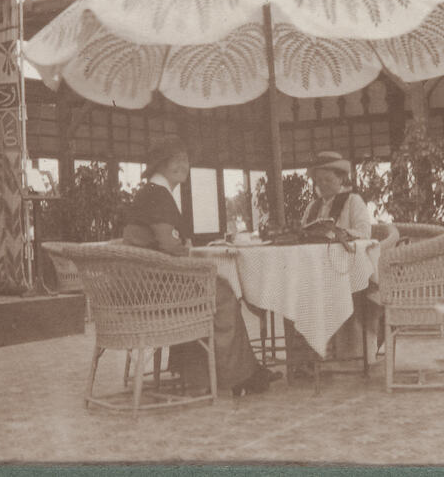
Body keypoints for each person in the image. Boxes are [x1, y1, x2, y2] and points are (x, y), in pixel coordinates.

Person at [122, 136, 280, 396]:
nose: (182, 165)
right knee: (223, 294)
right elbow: (169, 246)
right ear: (159, 165)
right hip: (155, 289)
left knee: (215, 288)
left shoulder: (151, 192)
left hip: (145, 286)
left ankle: (201, 374)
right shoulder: (158, 195)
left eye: (185, 160)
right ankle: (241, 376)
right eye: (175, 160)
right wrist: (187, 250)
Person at [300, 151, 376, 361]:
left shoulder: (353, 201)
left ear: (341, 179)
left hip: (346, 267)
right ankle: (310, 354)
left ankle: (350, 354)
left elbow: (364, 232)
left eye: (328, 180)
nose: (322, 185)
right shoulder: (313, 206)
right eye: (319, 181)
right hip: (317, 269)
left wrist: (338, 233)